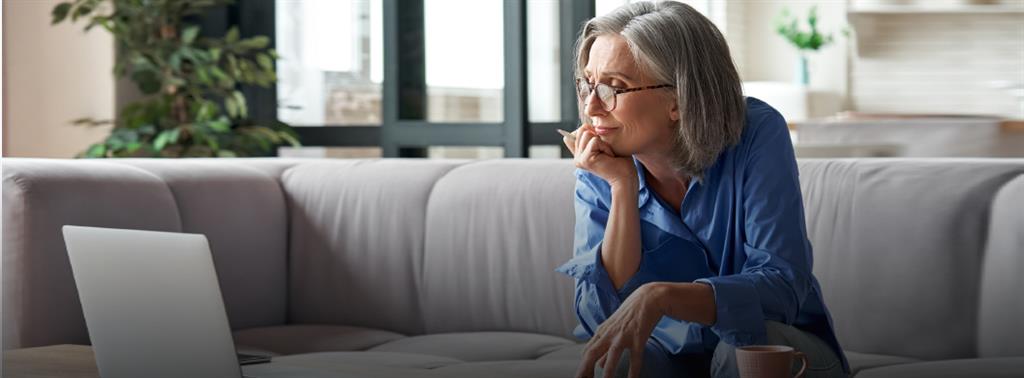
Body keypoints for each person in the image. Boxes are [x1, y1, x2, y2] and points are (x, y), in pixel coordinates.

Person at [555, 2, 849, 378]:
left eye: (615, 87)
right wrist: (622, 187)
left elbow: (781, 288)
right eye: (588, 84)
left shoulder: (757, 133)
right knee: (619, 360)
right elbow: (600, 316)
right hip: (670, 357)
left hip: (777, 343)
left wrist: (662, 297)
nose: (593, 106)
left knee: (740, 352)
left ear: (678, 99)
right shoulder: (602, 158)